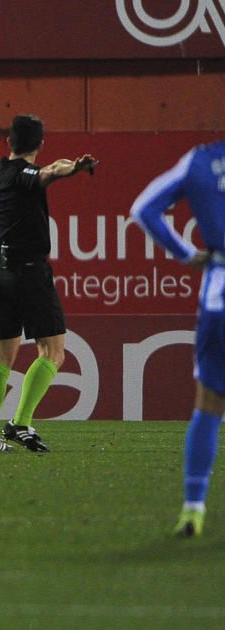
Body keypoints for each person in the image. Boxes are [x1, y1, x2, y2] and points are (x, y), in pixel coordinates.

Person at [0, 114, 98, 453]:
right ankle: (20, 423)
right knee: (53, 352)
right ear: (40, 144)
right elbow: (47, 172)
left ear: (8, 142)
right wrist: (73, 169)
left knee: (3, 353)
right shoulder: (29, 176)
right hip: (30, 272)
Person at [130, 139, 224, 537]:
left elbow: (143, 209)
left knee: (209, 402)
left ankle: (193, 507)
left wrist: (185, 253)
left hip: (220, 291)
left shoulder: (202, 160)